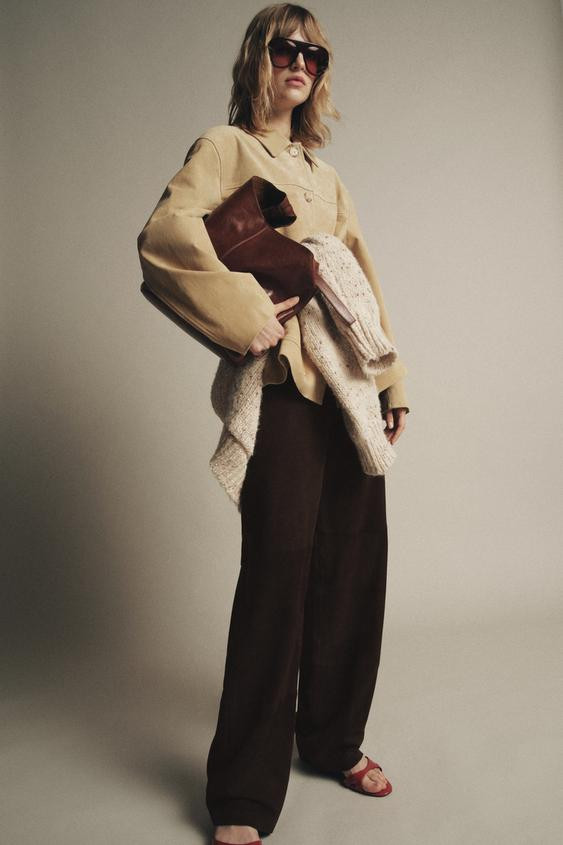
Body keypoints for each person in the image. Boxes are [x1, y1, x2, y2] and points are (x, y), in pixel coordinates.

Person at [137, 5, 410, 843]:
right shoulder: (225, 148)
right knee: (276, 576)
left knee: (353, 570)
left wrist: (391, 381)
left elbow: (360, 275)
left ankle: (332, 739)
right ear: (258, 57)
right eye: (286, 48)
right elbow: (166, 236)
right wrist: (245, 316)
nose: (301, 63)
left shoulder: (325, 176)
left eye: (314, 54)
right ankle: (244, 795)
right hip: (287, 386)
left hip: (348, 387)